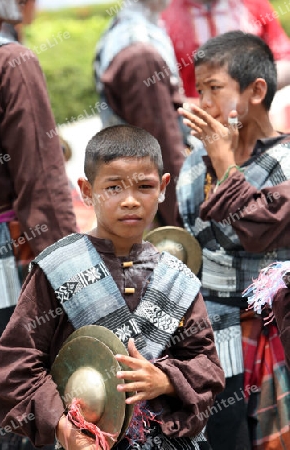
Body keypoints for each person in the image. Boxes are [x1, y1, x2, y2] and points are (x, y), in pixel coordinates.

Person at [0, 125, 225, 450]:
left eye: (144, 186)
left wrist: (166, 380)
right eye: (113, 187)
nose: (130, 200)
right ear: (87, 191)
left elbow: (207, 365)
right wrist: (62, 428)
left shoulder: (178, 278)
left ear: (163, 187)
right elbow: (15, 367)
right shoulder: (59, 268)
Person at [176, 31, 290, 450]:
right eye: (199, 89)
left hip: (271, 330)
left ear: (257, 90)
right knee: (224, 437)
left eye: (215, 88)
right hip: (211, 336)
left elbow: (256, 229)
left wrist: (224, 160)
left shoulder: (284, 161)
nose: (203, 103)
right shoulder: (194, 162)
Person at [0, 1, 77, 449]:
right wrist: (73, 280)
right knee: (14, 404)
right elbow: (41, 185)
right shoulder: (10, 63)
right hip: (0, 270)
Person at [94, 0, 188, 227]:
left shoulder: (126, 29)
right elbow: (160, 146)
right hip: (150, 209)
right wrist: (182, 223)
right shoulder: (139, 50)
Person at [161, 0, 290, 102]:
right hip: (193, 124)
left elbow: (285, 61)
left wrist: (248, 86)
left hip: (251, 120)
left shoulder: (253, 5)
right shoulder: (163, 13)